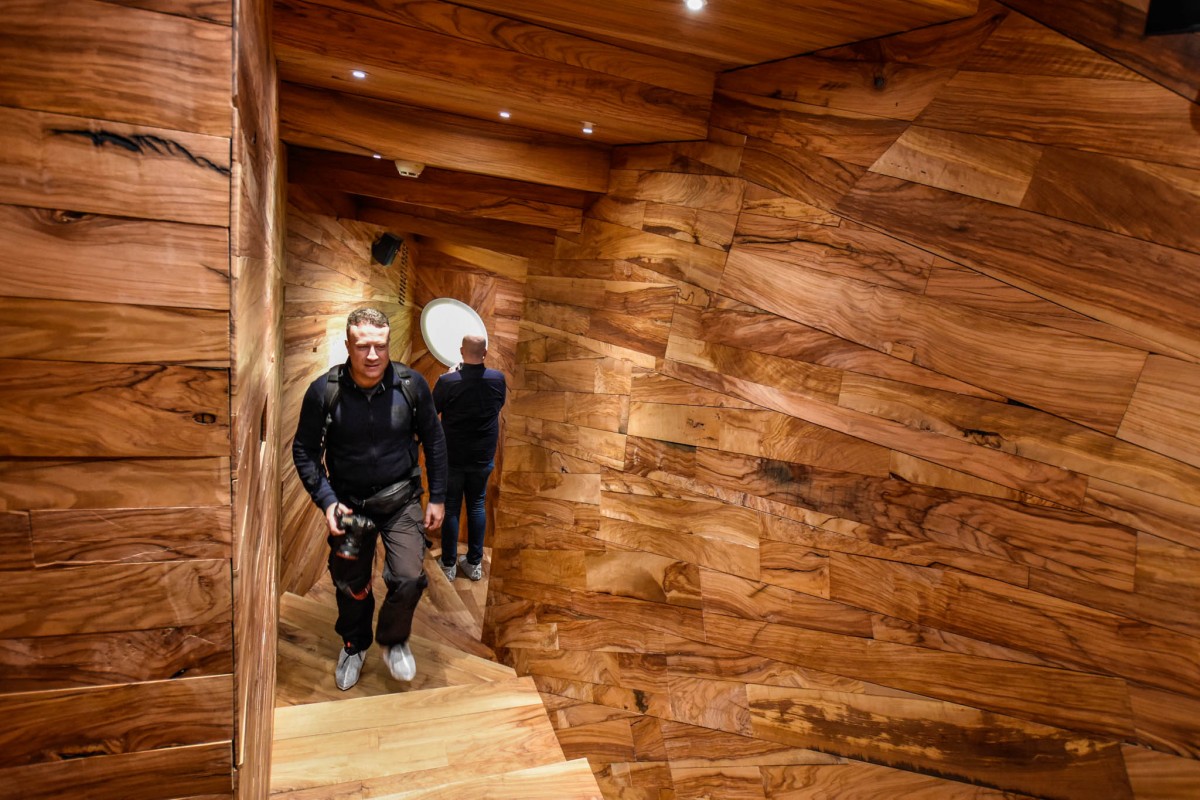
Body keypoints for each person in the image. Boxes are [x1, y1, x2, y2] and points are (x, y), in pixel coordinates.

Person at [292, 307, 447, 691]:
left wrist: (438, 496)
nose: (373, 355)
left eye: (380, 345)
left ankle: (394, 640)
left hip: (401, 500)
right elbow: (304, 451)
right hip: (348, 504)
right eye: (363, 347)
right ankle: (354, 644)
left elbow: (434, 440)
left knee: (408, 578)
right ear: (348, 345)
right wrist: (327, 500)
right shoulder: (324, 392)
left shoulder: (411, 386)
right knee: (350, 583)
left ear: (389, 343)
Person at [432, 334, 507, 582]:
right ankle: (474, 563)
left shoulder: (447, 381)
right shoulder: (498, 379)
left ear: (461, 352)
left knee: (451, 506)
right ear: (485, 353)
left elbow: (432, 412)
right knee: (477, 505)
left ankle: (449, 565)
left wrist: (449, 377)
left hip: (453, 456)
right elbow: (498, 405)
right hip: (482, 458)